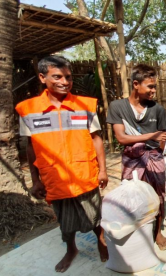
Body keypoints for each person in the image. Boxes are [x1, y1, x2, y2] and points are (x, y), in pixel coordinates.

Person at [15, 56, 108, 272]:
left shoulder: (84, 105)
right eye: (57, 76)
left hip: (84, 173)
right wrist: (35, 179)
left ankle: (102, 242)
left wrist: (103, 170)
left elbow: (96, 138)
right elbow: (30, 146)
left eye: (68, 77)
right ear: (42, 77)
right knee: (65, 221)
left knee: (94, 215)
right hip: (54, 177)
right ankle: (71, 249)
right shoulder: (28, 109)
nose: (64, 82)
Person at [106, 64, 166, 250]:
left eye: (154, 86)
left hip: (154, 158)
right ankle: (136, 230)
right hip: (131, 159)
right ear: (136, 84)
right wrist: (151, 136)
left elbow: (163, 139)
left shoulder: (157, 109)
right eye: (150, 86)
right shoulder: (118, 107)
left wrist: (155, 152)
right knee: (131, 195)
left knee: (158, 194)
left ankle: (157, 231)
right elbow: (121, 137)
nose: (153, 91)